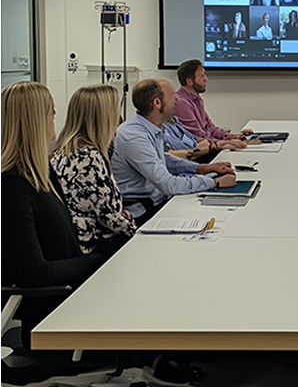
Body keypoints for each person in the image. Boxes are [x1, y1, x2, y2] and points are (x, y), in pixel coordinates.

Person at [1, 81, 104, 348]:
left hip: (71, 300)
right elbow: (34, 273)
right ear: (36, 121)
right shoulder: (11, 188)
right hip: (53, 318)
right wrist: (98, 261)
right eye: (51, 112)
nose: (54, 119)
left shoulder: (42, 175)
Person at [112, 79, 237, 223]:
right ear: (157, 103)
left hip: (160, 201)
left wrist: (201, 168)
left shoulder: (153, 127)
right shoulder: (133, 135)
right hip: (145, 212)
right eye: (172, 95)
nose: (176, 99)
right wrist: (214, 182)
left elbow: (162, 158)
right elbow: (168, 184)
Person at [50, 84, 136, 255]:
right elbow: (108, 217)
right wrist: (132, 227)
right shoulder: (88, 157)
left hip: (79, 241)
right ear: (104, 117)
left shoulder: (64, 151)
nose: (118, 118)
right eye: (116, 111)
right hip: (94, 247)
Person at [173, 59, 250, 146]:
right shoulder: (181, 102)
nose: (206, 79)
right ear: (189, 81)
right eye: (201, 76)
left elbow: (210, 128)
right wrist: (227, 143)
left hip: (210, 144)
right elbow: (198, 137)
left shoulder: (196, 99)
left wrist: (232, 136)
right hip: (202, 149)